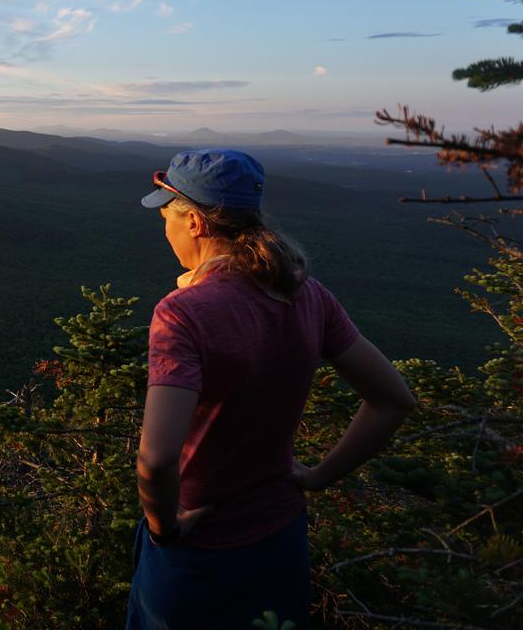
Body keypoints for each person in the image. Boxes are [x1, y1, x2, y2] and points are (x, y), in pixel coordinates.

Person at [125, 149, 416, 629]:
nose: (164, 228)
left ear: (194, 222)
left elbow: (156, 460)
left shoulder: (183, 313)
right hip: (280, 539)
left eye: (166, 215)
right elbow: (393, 400)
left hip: (199, 548)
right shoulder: (307, 293)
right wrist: (320, 476)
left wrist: (164, 529)